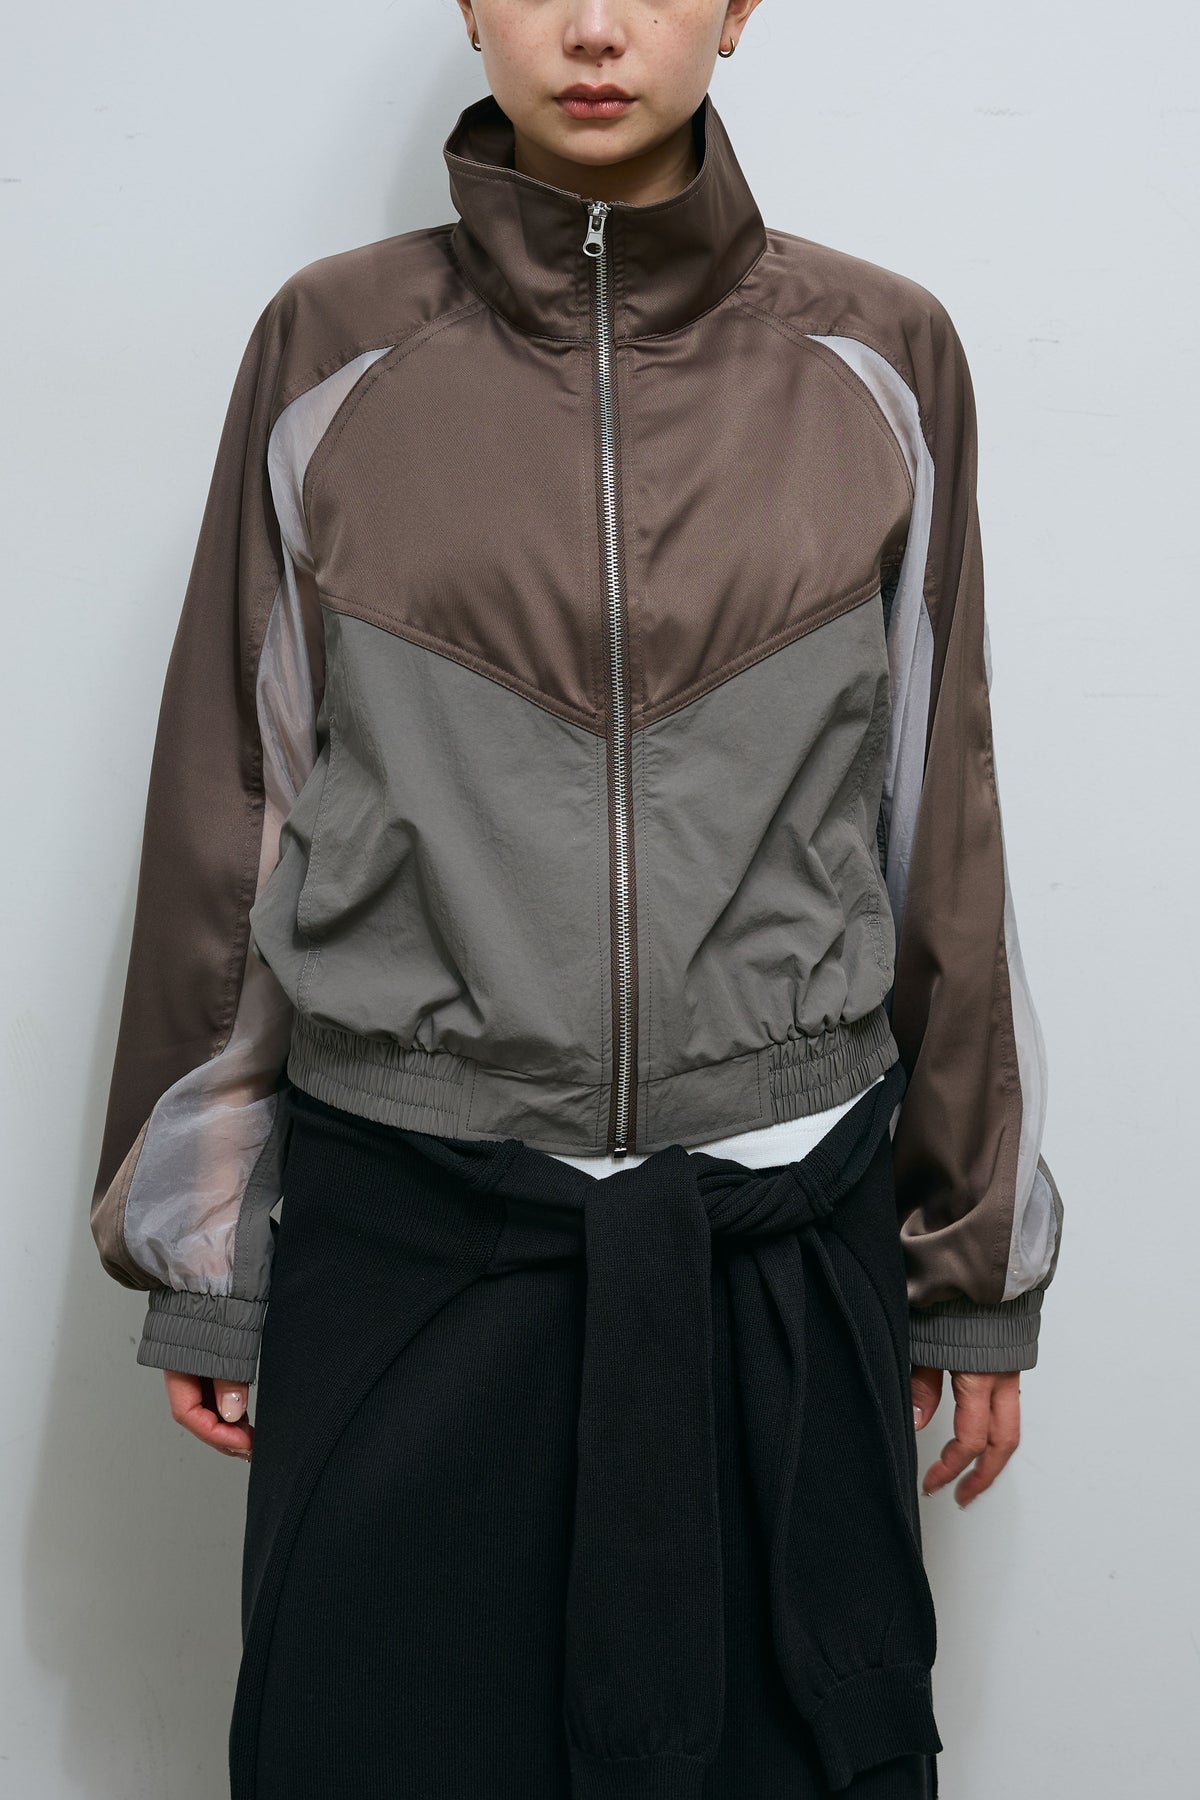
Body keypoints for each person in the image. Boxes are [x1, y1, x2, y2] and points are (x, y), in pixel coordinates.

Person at [88, 2, 1066, 1795]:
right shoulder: (330, 350)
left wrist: (969, 1268)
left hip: (778, 1240)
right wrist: (202, 1256)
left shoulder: (881, 357)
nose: (596, 27)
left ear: (741, 7)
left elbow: (941, 817)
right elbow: (237, 803)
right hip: (414, 1240)